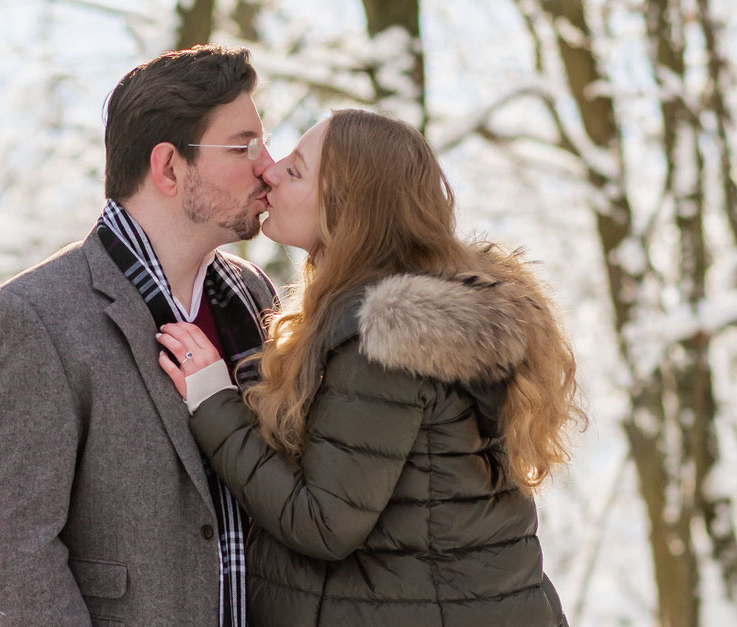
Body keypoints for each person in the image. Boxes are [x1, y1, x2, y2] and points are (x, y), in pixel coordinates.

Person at [157, 108, 586, 626]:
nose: (269, 171)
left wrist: (212, 400)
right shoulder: (403, 307)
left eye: (295, 170)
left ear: (349, 208)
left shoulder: (386, 340)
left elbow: (322, 523)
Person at [0, 44, 277, 626]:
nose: (267, 165)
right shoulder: (31, 318)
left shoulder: (255, 297)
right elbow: (19, 555)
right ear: (168, 168)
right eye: (242, 146)